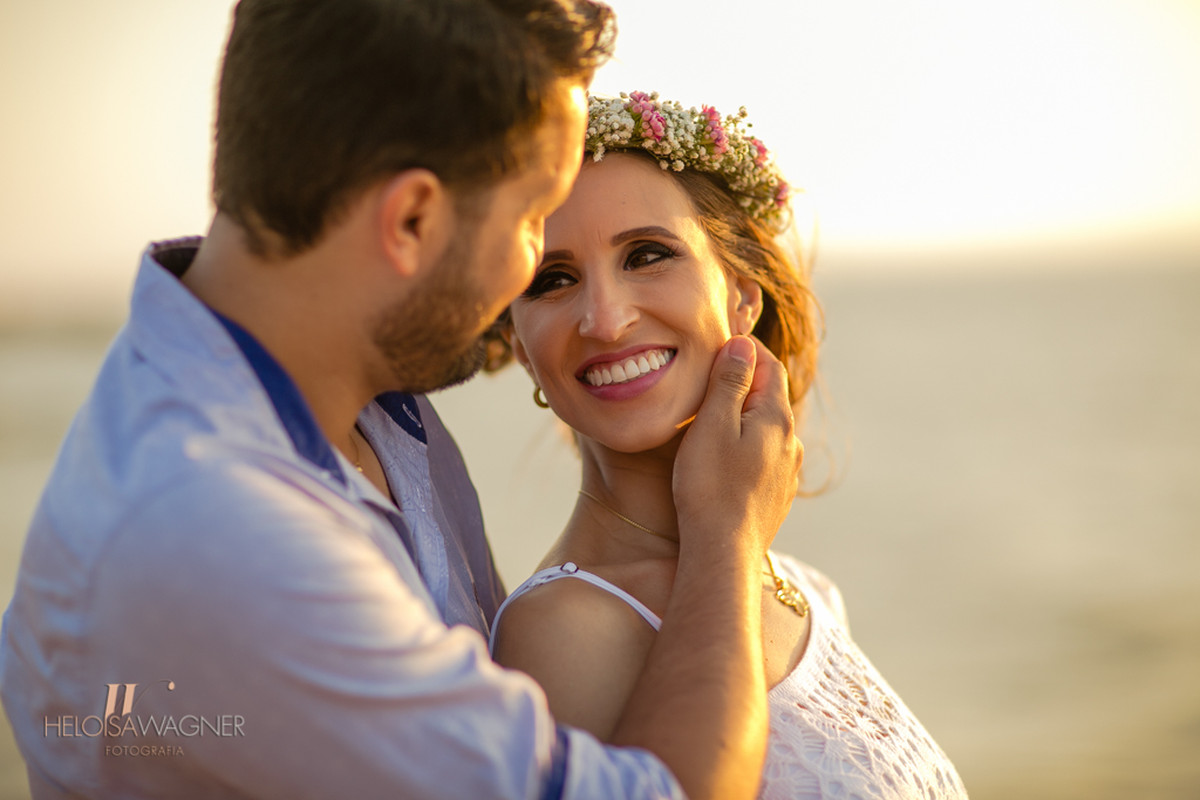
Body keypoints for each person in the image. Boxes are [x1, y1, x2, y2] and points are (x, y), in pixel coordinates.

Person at [0, 5, 804, 800]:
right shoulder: (225, 534)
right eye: (533, 227)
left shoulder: (342, 379)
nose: (518, 305)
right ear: (412, 219)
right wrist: (727, 529)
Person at [487, 91, 970, 799]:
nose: (606, 319)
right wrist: (731, 532)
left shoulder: (805, 589)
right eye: (552, 280)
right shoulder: (562, 631)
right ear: (521, 349)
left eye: (647, 255)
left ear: (741, 296)